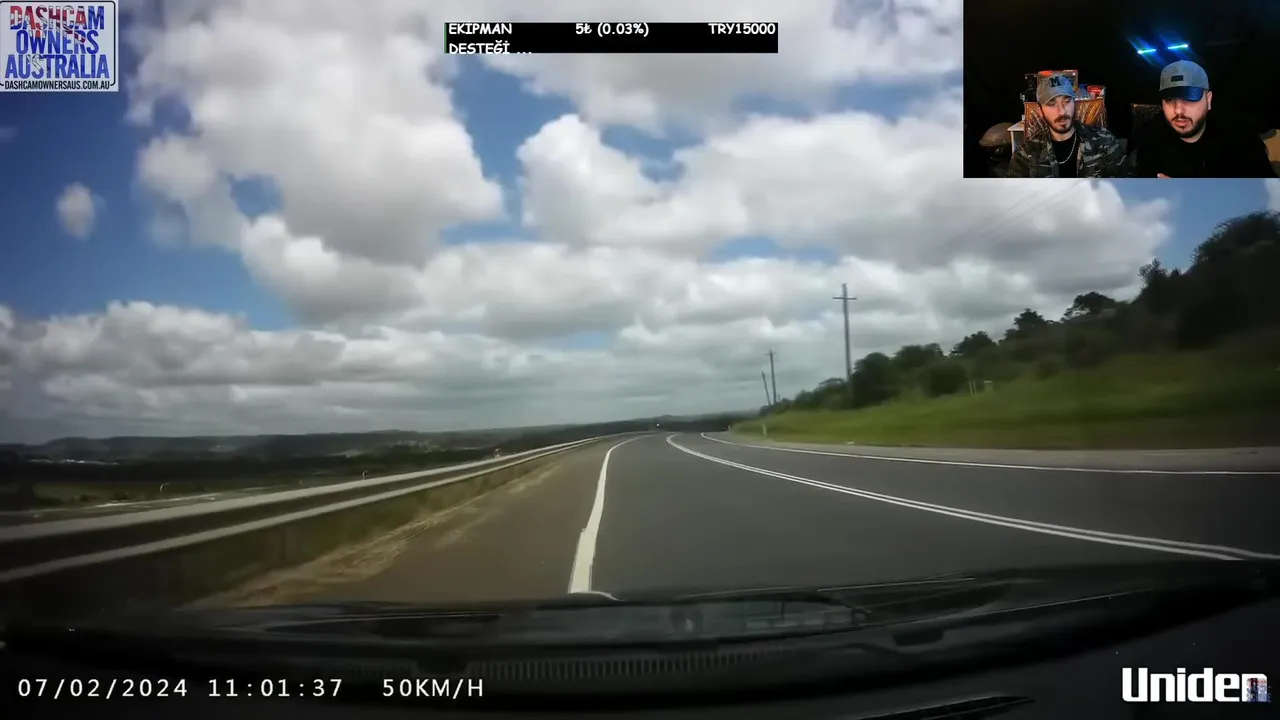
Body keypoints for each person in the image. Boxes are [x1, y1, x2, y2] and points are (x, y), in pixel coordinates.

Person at [1131, 60, 1275, 178]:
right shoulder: (1149, 139)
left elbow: (1267, 193)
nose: (1178, 110)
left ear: (1208, 100)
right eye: (1169, 99)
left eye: (1190, 98)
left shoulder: (1241, 137)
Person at [1006, 73, 1127, 178]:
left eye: (1067, 101)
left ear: (1075, 103)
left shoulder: (1104, 141)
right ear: (1039, 110)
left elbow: (1124, 188)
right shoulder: (1025, 153)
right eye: (1052, 104)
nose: (1062, 111)